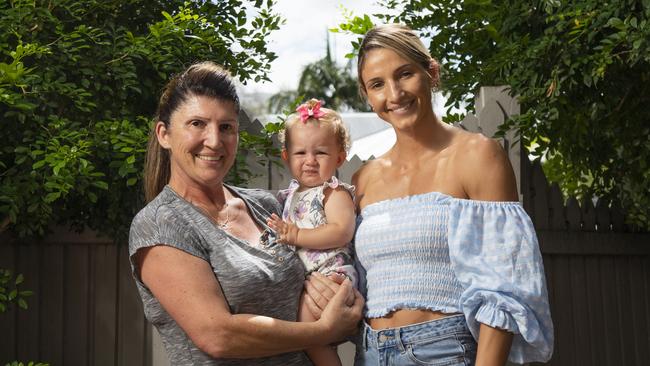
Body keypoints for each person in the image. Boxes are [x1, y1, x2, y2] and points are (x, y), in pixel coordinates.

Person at [340, 24, 553, 365]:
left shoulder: (477, 156)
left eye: (405, 74)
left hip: (445, 351)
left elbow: (505, 287)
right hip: (369, 353)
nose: (394, 94)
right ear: (367, 95)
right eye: (377, 84)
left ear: (431, 73)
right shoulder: (364, 178)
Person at [128, 61, 364, 365]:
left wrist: (345, 308)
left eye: (226, 127)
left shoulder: (266, 206)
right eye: (197, 124)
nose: (214, 141)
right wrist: (322, 330)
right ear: (164, 134)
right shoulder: (161, 224)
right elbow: (219, 336)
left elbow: (326, 263)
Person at [266, 98, 357, 366]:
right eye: (300, 153)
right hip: (308, 278)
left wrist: (295, 236)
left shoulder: (333, 192)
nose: (310, 161)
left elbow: (341, 231)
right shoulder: (290, 195)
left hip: (332, 276)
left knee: (308, 330)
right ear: (286, 156)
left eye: (320, 152)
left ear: (339, 156)